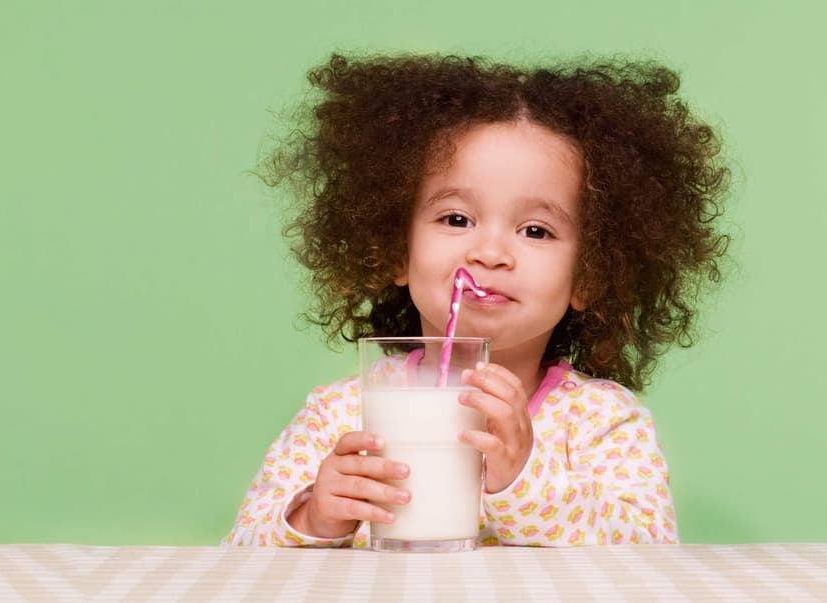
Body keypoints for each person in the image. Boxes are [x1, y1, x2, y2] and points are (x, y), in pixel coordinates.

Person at [223, 52, 730, 548]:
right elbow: (240, 553)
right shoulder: (341, 413)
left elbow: (652, 556)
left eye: (535, 230)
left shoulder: (600, 422)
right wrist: (315, 517)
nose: (489, 252)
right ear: (394, 251)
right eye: (456, 219)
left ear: (590, 276)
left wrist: (523, 478)